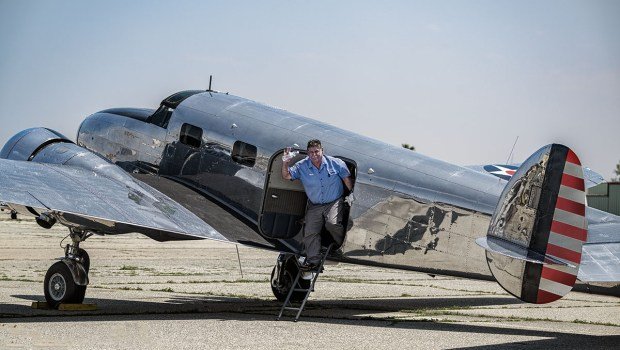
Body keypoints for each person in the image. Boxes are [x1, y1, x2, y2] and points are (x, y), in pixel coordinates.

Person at [281, 139, 353, 270]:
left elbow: (346, 178)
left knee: (332, 223)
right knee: (310, 231)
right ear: (307, 153)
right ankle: (314, 261)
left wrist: (351, 194)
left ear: (322, 151)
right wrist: (285, 163)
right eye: (310, 152)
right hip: (315, 204)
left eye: (316, 151)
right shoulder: (301, 166)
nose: (314, 155)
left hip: (334, 201)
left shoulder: (336, 163)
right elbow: (286, 176)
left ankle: (338, 247)